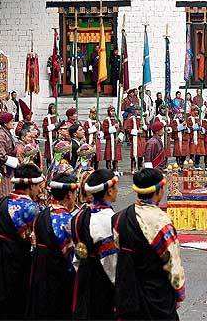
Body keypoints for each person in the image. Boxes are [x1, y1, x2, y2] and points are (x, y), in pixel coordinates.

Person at [113, 168, 186, 320]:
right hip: (156, 294)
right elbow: (172, 261)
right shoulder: (161, 222)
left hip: (128, 293)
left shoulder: (119, 218)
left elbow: (118, 252)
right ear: (158, 191)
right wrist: (179, 292)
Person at [0, 164, 44, 319]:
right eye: (38, 186)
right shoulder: (31, 207)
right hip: (15, 262)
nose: (40, 190)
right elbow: (35, 239)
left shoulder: (2, 201)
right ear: (30, 186)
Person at [27, 173, 78, 320]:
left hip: (40, 276)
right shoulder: (66, 220)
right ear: (69, 194)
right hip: (58, 281)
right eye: (75, 193)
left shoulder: (41, 213)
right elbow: (72, 259)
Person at [71, 169, 118, 320]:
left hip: (84, 273)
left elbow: (79, 252)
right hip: (101, 280)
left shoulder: (79, 215)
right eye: (115, 187)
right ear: (109, 191)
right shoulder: (108, 219)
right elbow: (110, 262)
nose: (117, 190)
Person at [124, 106, 146, 174]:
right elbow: (128, 129)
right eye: (137, 110)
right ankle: (133, 168)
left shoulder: (142, 119)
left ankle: (140, 167)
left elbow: (146, 129)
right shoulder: (131, 119)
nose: (138, 111)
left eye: (139, 110)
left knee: (141, 154)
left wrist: (144, 127)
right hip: (135, 139)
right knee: (134, 154)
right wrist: (136, 131)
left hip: (142, 139)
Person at [102, 106, 123, 173]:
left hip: (117, 141)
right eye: (111, 111)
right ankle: (108, 170)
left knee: (116, 156)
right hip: (110, 140)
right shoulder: (106, 120)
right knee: (109, 156)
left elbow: (122, 130)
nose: (113, 112)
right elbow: (105, 130)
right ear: (109, 112)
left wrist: (119, 137)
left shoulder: (118, 120)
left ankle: (115, 169)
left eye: (114, 111)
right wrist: (114, 127)